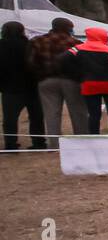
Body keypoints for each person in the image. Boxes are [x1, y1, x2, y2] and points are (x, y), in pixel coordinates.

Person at [27, 17, 86, 142]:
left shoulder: (37, 41)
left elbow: (31, 62)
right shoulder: (76, 43)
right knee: (78, 111)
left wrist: (40, 76)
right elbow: (81, 64)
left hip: (46, 80)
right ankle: (82, 139)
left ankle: (54, 143)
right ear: (68, 29)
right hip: (71, 81)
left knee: (51, 113)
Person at [67, 27, 108, 141]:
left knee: (94, 114)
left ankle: (94, 138)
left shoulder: (78, 49)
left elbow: (63, 59)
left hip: (89, 84)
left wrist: (77, 73)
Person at [0, 21, 46, 149]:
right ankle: (39, 142)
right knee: (36, 116)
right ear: (22, 31)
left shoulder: (1, 45)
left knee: (10, 118)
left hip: (10, 87)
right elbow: (39, 63)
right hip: (32, 85)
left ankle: (10, 144)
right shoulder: (30, 45)